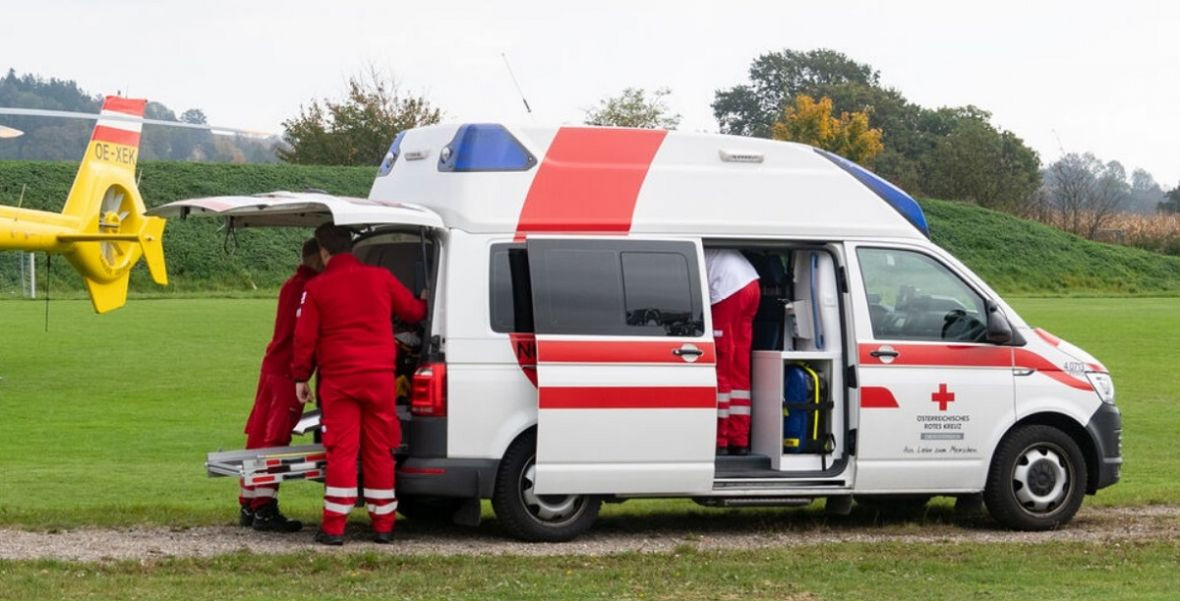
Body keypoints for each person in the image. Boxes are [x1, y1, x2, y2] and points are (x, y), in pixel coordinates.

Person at [292, 224, 427, 546]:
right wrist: (424, 301)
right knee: (380, 449)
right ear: (351, 246)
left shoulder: (319, 288)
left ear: (324, 252)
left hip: (339, 380)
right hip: (379, 377)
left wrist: (301, 376)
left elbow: (305, 338)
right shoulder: (380, 278)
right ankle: (384, 524)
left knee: (341, 450)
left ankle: (335, 527)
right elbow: (411, 311)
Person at [239, 238, 323, 532]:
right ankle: (264, 506)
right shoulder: (312, 288)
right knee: (276, 439)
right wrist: (303, 373)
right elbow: (305, 334)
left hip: (271, 367)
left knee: (258, 434)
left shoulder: (291, 284)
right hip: (288, 371)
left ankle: (248, 502)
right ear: (319, 258)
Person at [705, 249, 761, 456]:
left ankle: (719, 440)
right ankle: (738, 439)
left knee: (721, 362)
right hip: (750, 283)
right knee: (738, 364)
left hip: (728, 288)